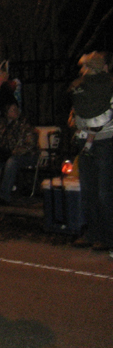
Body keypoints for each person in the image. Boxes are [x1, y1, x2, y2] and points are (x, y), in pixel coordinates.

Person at [69, 51, 113, 251]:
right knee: (89, 190)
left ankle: (106, 236)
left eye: (86, 67)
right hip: (87, 140)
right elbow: (78, 111)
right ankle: (93, 233)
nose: (82, 71)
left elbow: (104, 117)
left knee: (104, 192)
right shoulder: (83, 87)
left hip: (105, 141)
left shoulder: (107, 86)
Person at [0, 100, 38, 204]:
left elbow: (30, 144)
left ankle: (4, 196)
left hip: (27, 156)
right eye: (12, 110)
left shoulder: (25, 125)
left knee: (12, 162)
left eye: (16, 109)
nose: (16, 112)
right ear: (6, 113)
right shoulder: (2, 127)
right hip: (10, 155)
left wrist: (13, 152)